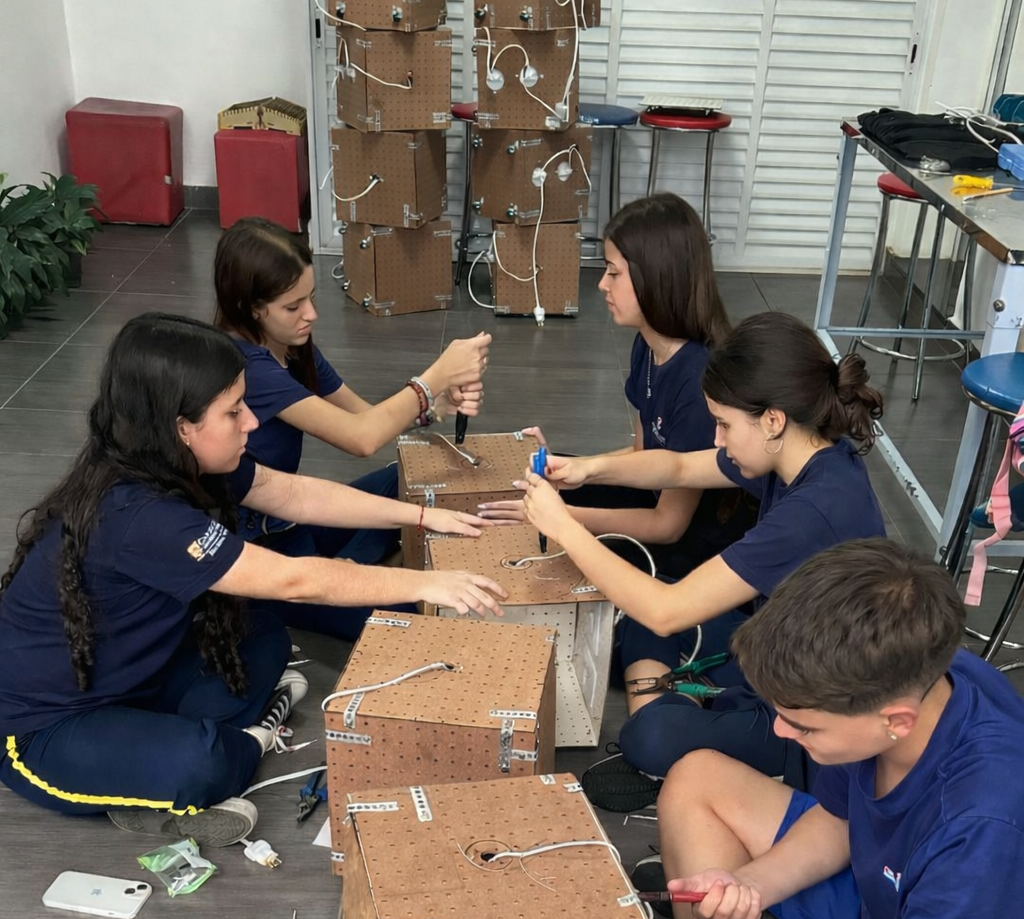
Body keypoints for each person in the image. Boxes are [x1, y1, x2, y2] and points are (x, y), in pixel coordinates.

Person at [583, 539, 1024, 919]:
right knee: (697, 777)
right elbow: (841, 821)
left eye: (805, 726)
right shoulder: (916, 674)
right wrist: (753, 886)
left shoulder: (984, 825)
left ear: (895, 720)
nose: (782, 733)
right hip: (889, 912)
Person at [0, 313, 505, 847]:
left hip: (137, 678)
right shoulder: (138, 515)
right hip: (44, 727)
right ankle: (239, 746)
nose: (253, 423)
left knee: (262, 634)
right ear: (181, 427)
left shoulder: (180, 461)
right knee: (206, 763)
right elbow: (294, 581)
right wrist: (426, 584)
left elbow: (293, 494)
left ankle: (158, 764)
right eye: (234, 411)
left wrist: (421, 516)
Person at [502, 312, 886, 792]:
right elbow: (681, 468)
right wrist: (589, 469)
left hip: (809, 714)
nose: (717, 439)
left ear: (772, 420)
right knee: (643, 606)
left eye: (723, 424)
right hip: (777, 650)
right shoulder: (802, 452)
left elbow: (667, 613)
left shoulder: (814, 510)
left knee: (648, 732)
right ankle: (684, 705)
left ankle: (680, 718)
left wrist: (564, 524)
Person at [213, 215, 492, 639]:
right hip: (266, 556)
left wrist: (434, 407)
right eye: (293, 306)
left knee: (404, 478)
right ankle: (346, 573)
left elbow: (364, 418)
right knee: (418, 613)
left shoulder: (290, 344)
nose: (311, 314)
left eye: (310, 298)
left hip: (293, 519)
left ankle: (351, 566)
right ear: (251, 308)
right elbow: (361, 439)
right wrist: (435, 376)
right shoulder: (247, 368)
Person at [488, 192, 756, 577]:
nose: (601, 284)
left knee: (550, 540)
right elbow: (643, 453)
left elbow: (667, 526)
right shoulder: (648, 344)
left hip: (694, 550)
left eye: (613, 273)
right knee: (542, 481)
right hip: (652, 498)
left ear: (656, 278)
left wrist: (566, 518)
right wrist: (576, 468)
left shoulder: (699, 379)